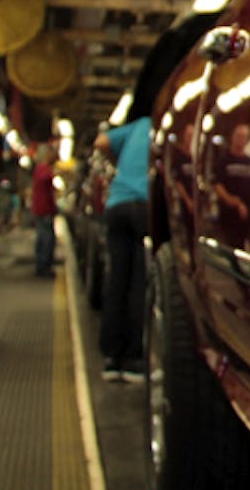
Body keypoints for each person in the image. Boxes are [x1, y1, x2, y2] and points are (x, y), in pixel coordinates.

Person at [93, 116, 151, 383]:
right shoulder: (161, 123)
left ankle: (110, 358)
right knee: (138, 281)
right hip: (142, 205)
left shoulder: (139, 125)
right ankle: (132, 359)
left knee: (117, 279)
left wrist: (119, 164)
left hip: (116, 204)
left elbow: (101, 141)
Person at [31, 144, 57, 277]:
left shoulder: (38, 169)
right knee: (47, 238)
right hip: (45, 209)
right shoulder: (44, 169)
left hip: (40, 208)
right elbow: (46, 182)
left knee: (42, 237)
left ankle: (41, 264)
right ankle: (43, 266)